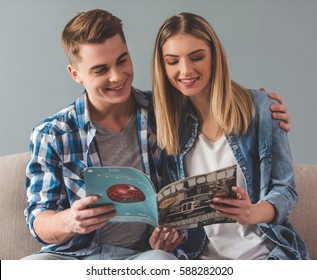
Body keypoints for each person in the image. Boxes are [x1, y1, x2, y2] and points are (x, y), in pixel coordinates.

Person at [23, 9, 291, 260]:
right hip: (74, 257)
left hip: (147, 256)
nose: (117, 77)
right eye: (101, 70)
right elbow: (38, 218)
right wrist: (70, 220)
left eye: (122, 61)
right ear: (75, 74)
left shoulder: (163, 113)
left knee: (162, 261)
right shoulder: (53, 134)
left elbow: (209, 98)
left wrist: (262, 106)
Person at [152, 12, 309, 259]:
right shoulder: (167, 123)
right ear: (162, 66)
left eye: (197, 57)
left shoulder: (261, 109)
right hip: (198, 259)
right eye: (172, 61)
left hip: (264, 256)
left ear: (214, 56)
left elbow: (285, 190)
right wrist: (168, 238)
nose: (185, 70)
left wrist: (252, 212)